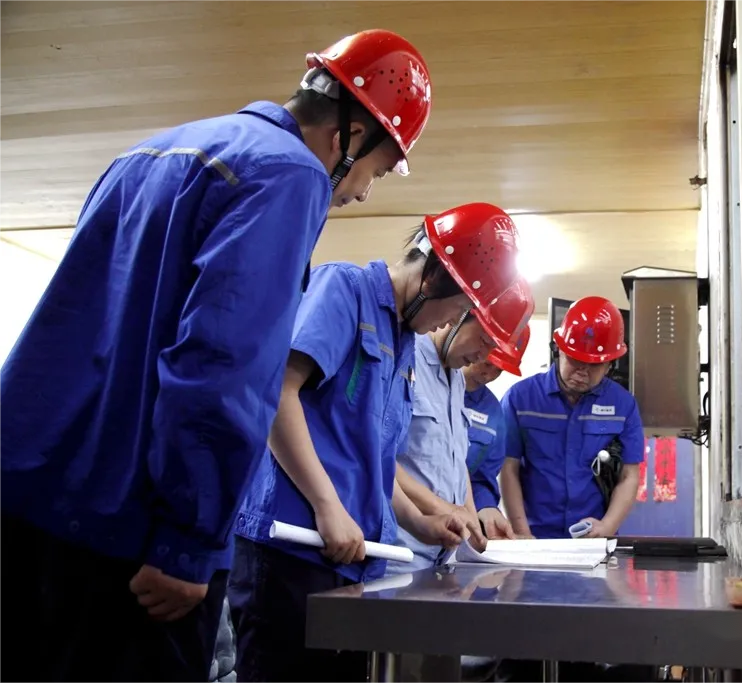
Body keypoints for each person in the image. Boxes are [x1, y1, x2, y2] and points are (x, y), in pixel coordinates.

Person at [0, 28, 432, 683]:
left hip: (34, 497)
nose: (365, 191)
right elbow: (222, 365)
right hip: (129, 534)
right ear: (348, 137)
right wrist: (189, 539)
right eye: (376, 168)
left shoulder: (152, 150)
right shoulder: (290, 174)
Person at [228, 203, 521, 682]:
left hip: (349, 561)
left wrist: (419, 521)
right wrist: (327, 505)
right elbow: (277, 393)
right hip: (290, 552)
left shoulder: (401, 340)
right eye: (460, 310)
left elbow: (376, 460)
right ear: (433, 280)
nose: (448, 322)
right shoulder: (345, 289)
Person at [389, 278, 535, 572]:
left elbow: (457, 464)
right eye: (484, 342)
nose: (484, 358)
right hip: (400, 553)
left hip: (444, 557)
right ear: (460, 312)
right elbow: (380, 458)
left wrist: (474, 524)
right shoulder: (404, 358)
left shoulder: (456, 379)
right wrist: (446, 510)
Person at [500, 296, 644, 540]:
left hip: (593, 537)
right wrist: (522, 532)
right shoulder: (520, 399)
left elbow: (629, 475)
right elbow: (508, 467)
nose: (582, 372)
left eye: (594, 365)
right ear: (558, 350)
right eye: (575, 360)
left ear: (610, 364)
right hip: (534, 535)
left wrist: (607, 527)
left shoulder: (623, 406)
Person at [463, 323, 532, 539]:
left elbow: (481, 478)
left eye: (499, 370)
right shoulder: (425, 382)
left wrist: (487, 508)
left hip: (458, 524)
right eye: (488, 363)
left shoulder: (493, 413)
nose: (489, 374)